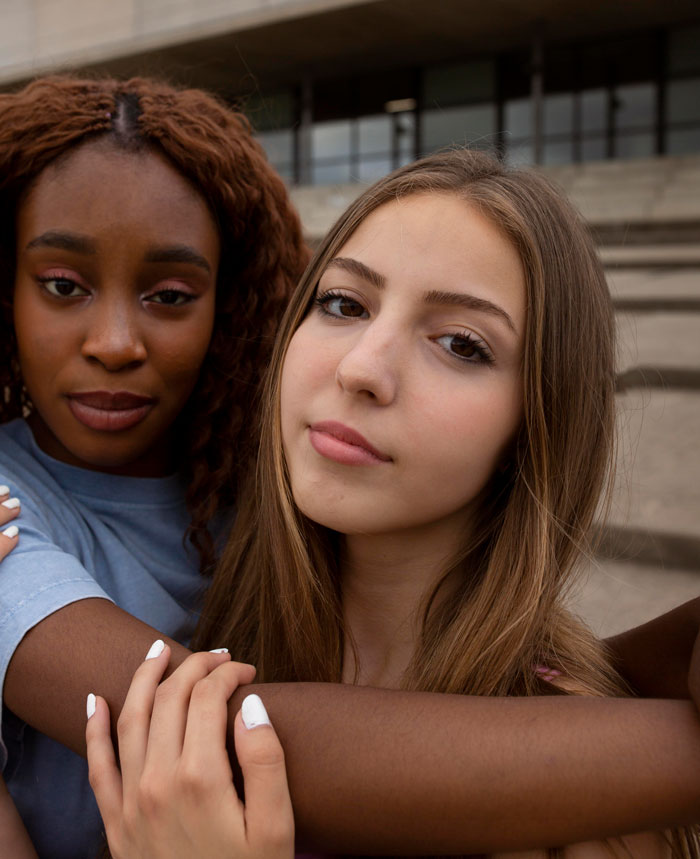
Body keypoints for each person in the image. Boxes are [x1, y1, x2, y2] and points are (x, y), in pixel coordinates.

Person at [1, 77, 699, 857]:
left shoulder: (588, 819)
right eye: (343, 304)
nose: (362, 366)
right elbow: (207, 733)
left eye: (461, 344)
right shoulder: (207, 587)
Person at [0, 74, 307, 858]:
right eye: (62, 285)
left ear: (228, 308)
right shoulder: (3, 507)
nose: (114, 343)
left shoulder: (284, 496)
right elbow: (222, 742)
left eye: (169, 296)